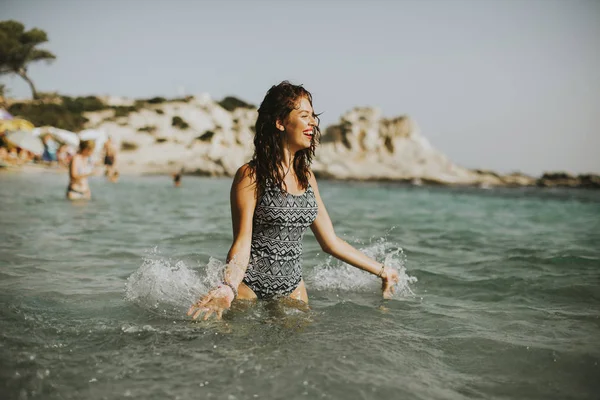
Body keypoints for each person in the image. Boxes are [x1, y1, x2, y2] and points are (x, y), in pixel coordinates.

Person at [187, 81, 400, 321]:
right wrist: (228, 287)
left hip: (293, 290)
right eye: (304, 116)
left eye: (313, 116)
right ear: (280, 122)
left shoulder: (306, 177)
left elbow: (330, 241)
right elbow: (243, 241)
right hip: (249, 289)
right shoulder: (251, 175)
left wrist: (383, 271)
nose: (313, 122)